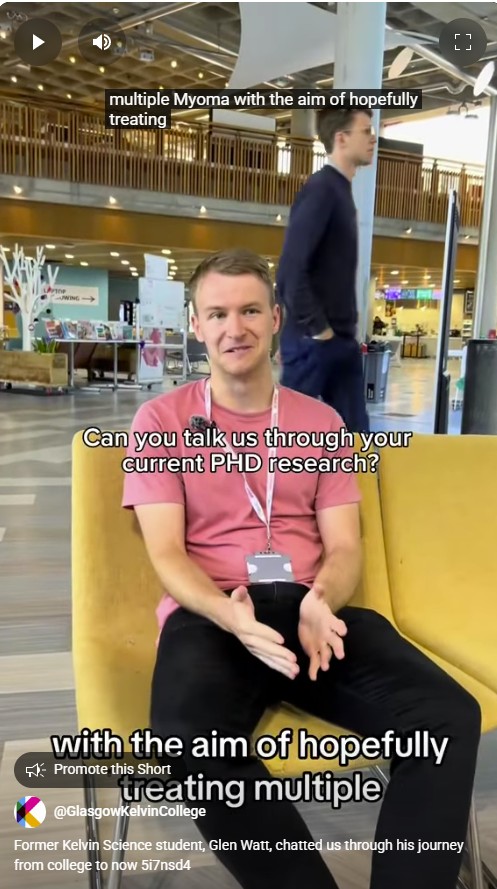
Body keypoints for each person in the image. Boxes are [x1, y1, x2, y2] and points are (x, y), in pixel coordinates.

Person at [122, 248, 480, 889]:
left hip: (315, 610)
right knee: (189, 742)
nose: (236, 328)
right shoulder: (161, 421)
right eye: (219, 313)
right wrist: (226, 614)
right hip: (215, 614)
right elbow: (167, 553)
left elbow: (344, 548)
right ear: (197, 326)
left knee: (446, 717)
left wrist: (321, 600)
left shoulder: (321, 422)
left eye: (251, 310)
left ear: (277, 317)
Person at [276, 106, 377, 432]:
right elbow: (291, 269)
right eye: (366, 130)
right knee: (289, 442)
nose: (373, 138)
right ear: (341, 138)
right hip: (316, 343)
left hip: (338, 342)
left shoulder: (340, 192)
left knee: (357, 442)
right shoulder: (322, 189)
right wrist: (319, 329)